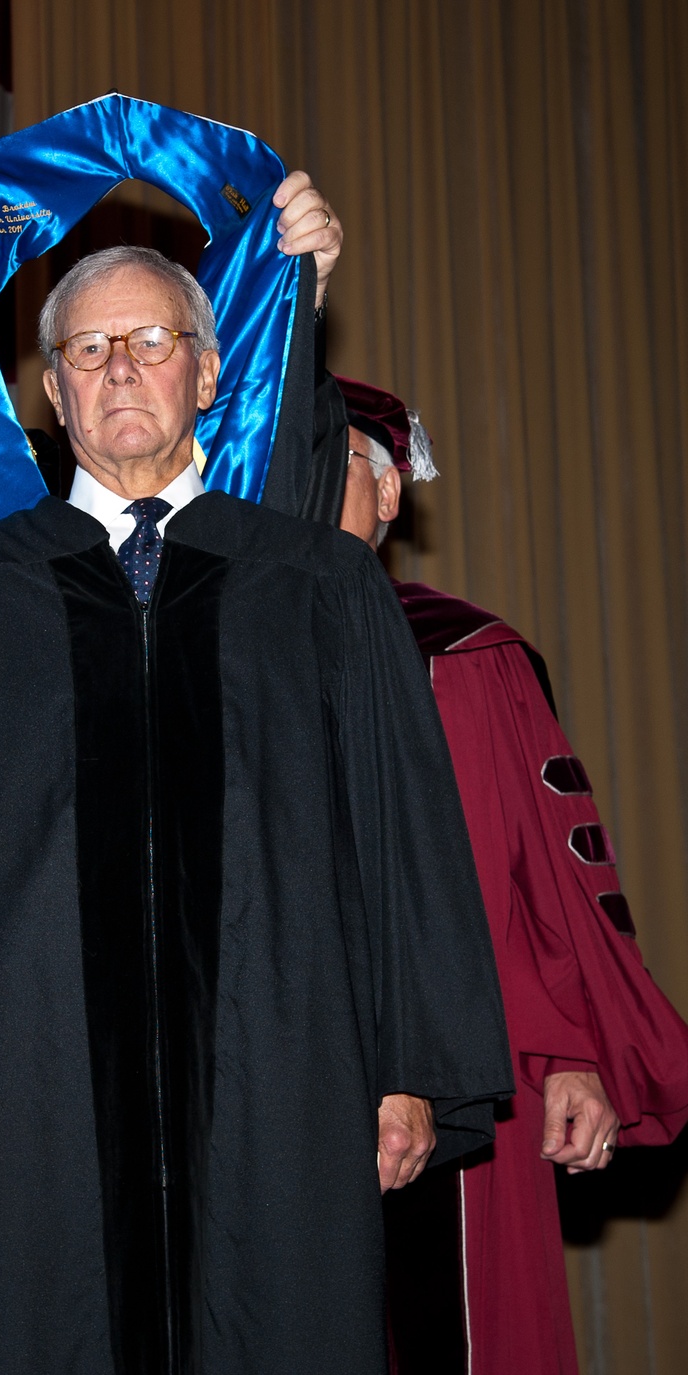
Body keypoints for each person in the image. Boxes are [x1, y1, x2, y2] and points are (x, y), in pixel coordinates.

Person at [0, 95, 422, 1375]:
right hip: (13, 1088)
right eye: (86, 349)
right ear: (42, 386)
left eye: (152, 341)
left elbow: (373, 824)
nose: (117, 369)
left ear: (207, 370)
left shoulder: (302, 583)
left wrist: (288, 287)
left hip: (261, 1093)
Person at [330, 376, 688, 1375]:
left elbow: (542, 877)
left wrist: (565, 1050)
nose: (310, 489)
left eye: (339, 463)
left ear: (393, 491)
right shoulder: (206, 656)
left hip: (461, 1072)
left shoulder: (461, 656)